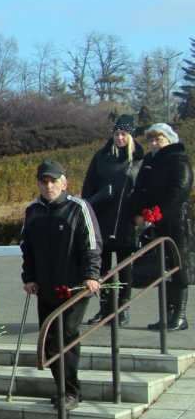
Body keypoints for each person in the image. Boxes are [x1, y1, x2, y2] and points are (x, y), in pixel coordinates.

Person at [21, 161, 102, 408]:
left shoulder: (79, 207)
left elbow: (91, 245)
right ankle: (63, 387)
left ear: (64, 183)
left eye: (54, 181)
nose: (49, 186)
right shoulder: (32, 210)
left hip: (74, 288)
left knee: (66, 336)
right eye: (44, 182)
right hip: (46, 289)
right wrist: (29, 278)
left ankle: (71, 391)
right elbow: (27, 248)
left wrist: (91, 275)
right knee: (49, 341)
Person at [130, 123, 195, 331]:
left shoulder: (179, 160)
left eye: (158, 139)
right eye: (150, 140)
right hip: (153, 223)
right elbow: (139, 190)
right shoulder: (149, 161)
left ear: (169, 140)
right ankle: (166, 315)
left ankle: (179, 315)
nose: (154, 144)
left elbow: (179, 191)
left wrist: (159, 214)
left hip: (176, 223)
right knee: (162, 268)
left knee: (178, 266)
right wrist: (137, 214)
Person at [82, 114, 143, 326]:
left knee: (125, 267)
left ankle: (123, 308)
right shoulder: (101, 157)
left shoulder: (140, 160)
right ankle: (106, 307)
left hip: (127, 221)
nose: (119, 138)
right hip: (103, 219)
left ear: (131, 135)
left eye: (124, 134)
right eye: (116, 134)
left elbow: (143, 190)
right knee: (103, 268)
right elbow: (89, 187)